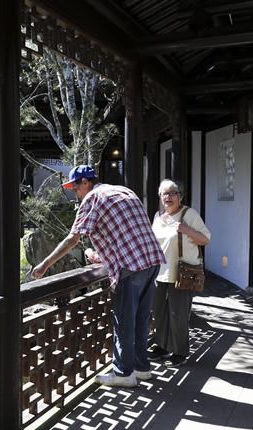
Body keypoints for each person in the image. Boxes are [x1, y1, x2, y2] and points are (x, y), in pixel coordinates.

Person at [33, 165, 165, 387]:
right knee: (141, 319)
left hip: (130, 267)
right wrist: (103, 256)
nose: (75, 192)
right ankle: (142, 368)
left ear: (85, 182)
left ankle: (123, 373)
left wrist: (44, 265)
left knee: (124, 321)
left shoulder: (93, 198)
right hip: (151, 260)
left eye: (75, 187)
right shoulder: (124, 191)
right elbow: (126, 233)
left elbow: (73, 238)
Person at [148, 179, 211, 367]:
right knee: (158, 312)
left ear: (180, 196)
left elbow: (205, 239)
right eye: (164, 194)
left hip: (182, 272)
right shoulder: (157, 216)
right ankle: (162, 346)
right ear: (160, 197)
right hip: (159, 272)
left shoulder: (188, 214)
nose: (168, 197)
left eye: (173, 193)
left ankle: (180, 351)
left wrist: (186, 230)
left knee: (178, 314)